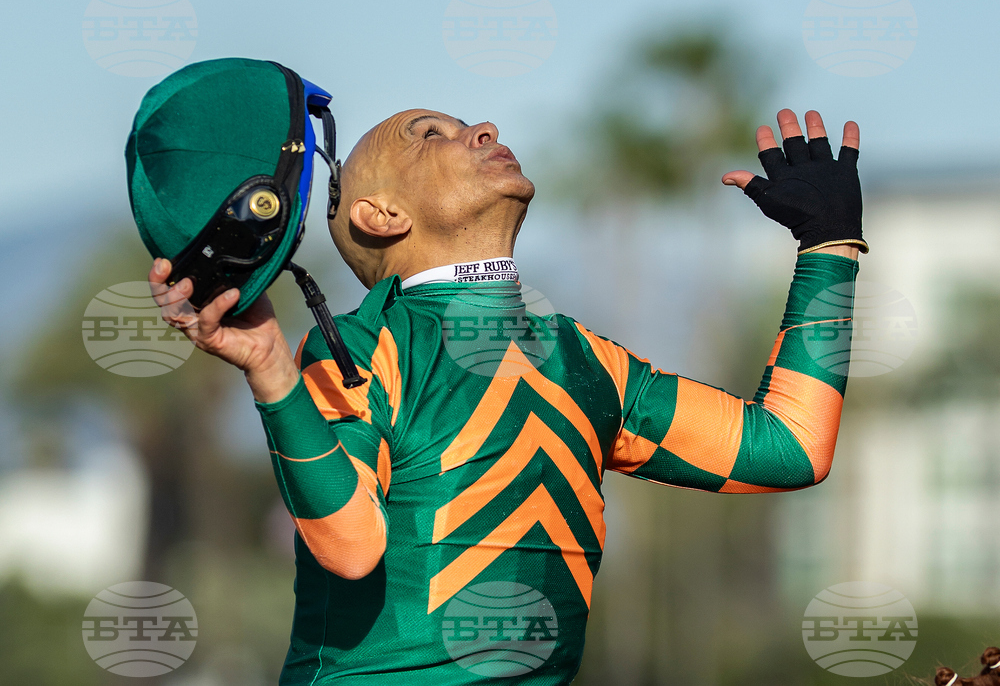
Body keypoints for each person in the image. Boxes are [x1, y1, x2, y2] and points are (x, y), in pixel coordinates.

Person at [150, 107, 865, 684]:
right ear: (380, 215)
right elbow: (351, 548)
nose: (484, 129)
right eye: (431, 135)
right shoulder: (363, 347)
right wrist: (272, 369)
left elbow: (789, 447)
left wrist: (827, 247)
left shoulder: (586, 357)